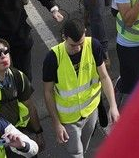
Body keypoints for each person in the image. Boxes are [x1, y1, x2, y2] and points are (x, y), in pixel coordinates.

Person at [42, 17, 118, 158]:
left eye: (81, 44)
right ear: (64, 37)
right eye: (73, 45)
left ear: (85, 32)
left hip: (91, 111)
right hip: (69, 119)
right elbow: (48, 92)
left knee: (84, 146)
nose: (77, 48)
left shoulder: (93, 46)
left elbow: (104, 77)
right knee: (76, 153)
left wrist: (113, 106)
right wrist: (57, 123)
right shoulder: (53, 58)